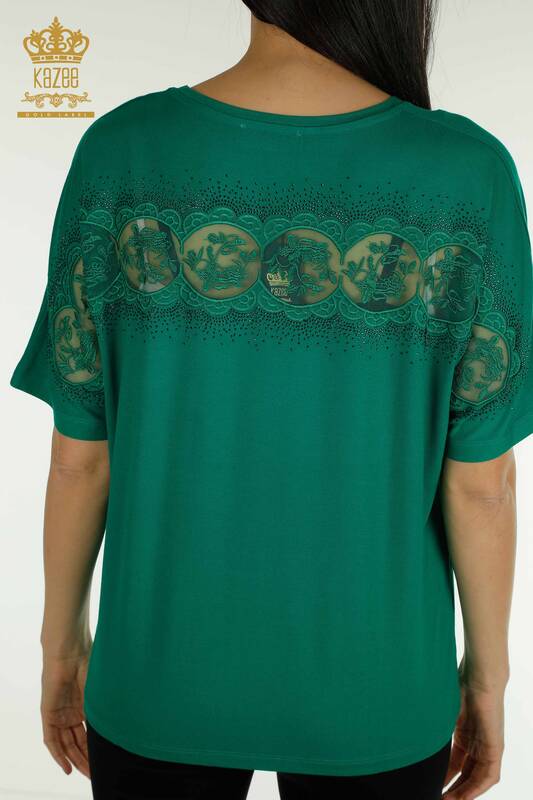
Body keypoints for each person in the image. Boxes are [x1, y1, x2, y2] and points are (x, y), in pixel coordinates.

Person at [9, 1, 533, 798]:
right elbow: (481, 485)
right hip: (379, 695)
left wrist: (61, 649)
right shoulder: (466, 173)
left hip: (156, 678)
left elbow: (80, 460)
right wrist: (487, 680)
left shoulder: (124, 151)